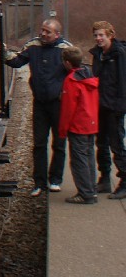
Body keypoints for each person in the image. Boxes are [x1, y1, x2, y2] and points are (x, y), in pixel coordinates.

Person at [3, 18, 72, 194]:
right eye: (42, 30)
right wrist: (4, 53)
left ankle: (55, 179)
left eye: (47, 31)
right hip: (40, 103)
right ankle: (39, 183)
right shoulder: (33, 46)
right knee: (39, 144)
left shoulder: (65, 49)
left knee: (59, 143)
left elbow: (76, 70)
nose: (43, 34)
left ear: (57, 34)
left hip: (59, 104)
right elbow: (17, 61)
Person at [57, 47, 100, 204]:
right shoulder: (90, 76)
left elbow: (68, 109)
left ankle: (85, 194)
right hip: (91, 123)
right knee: (88, 157)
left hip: (78, 125)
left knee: (78, 159)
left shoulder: (71, 80)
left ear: (68, 63)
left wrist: (62, 131)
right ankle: (91, 190)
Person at [89, 21, 126, 198]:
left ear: (110, 35)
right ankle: (104, 179)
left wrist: (120, 107)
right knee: (101, 143)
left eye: (101, 35)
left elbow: (123, 82)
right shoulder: (97, 54)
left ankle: (125, 181)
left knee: (117, 145)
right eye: (96, 35)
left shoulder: (119, 54)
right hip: (100, 105)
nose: (98, 38)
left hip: (114, 107)